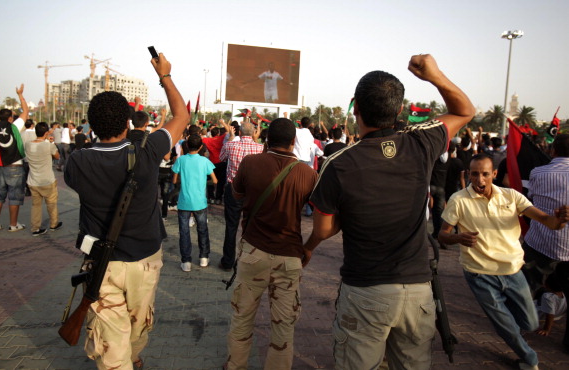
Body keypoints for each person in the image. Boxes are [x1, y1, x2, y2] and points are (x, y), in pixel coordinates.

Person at [308, 54, 475, 369]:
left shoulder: (340, 163)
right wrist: (435, 76)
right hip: (417, 292)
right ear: (400, 110)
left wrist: (311, 246)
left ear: (355, 107)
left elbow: (322, 230)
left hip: (365, 292)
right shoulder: (422, 142)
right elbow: (465, 110)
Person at [64, 52, 189, 369]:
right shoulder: (146, 151)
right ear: (127, 122)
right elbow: (181, 116)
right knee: (136, 330)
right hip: (144, 261)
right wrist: (165, 75)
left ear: (92, 125)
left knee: (111, 342)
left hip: (102, 263)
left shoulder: (77, 162)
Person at [439, 153, 569, 370]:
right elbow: (442, 234)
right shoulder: (459, 200)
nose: (480, 180)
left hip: (512, 271)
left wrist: (560, 220)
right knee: (506, 325)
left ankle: (506, 320)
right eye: (474, 174)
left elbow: (547, 221)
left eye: (485, 174)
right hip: (479, 273)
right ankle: (529, 359)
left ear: (494, 174)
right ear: (468, 175)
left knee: (530, 322)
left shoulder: (511, 196)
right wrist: (456, 237)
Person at [225, 118, 318, 370]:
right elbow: (321, 217)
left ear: (265, 139)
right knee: (283, 324)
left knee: (243, 316)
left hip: (253, 252)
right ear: (293, 142)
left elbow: (236, 194)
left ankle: (236, 365)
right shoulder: (308, 174)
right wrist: (308, 246)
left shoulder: (251, 163)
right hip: (289, 256)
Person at [522, 133, 569, 350]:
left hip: (539, 242)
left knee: (525, 289)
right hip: (565, 246)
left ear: (553, 150)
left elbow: (531, 198)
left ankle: (518, 330)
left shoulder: (538, 172)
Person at [218, 122, 263, 271]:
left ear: (239, 132)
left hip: (233, 188)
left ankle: (227, 262)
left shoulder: (231, 145)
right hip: (252, 191)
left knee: (231, 226)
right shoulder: (260, 148)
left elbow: (222, 158)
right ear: (254, 133)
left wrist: (230, 137)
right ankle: (247, 260)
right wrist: (256, 140)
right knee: (250, 227)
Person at [0, 82, 29, 232]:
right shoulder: (14, 126)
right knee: (14, 197)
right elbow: (25, 111)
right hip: (15, 165)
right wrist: (20, 94)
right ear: (11, 118)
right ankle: (13, 225)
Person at [172, 134, 216, 271]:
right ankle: (203, 257)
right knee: (202, 229)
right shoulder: (204, 161)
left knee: (184, 231)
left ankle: (186, 261)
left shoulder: (181, 160)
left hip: (184, 201)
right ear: (201, 146)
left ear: (186, 145)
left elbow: (174, 180)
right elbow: (215, 180)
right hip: (200, 202)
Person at [24, 122, 61, 236]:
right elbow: (57, 156)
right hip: (47, 180)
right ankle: (54, 224)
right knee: (52, 203)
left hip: (33, 180)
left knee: (36, 205)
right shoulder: (48, 145)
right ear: (46, 133)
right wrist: (51, 142)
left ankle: (35, 228)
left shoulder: (28, 144)